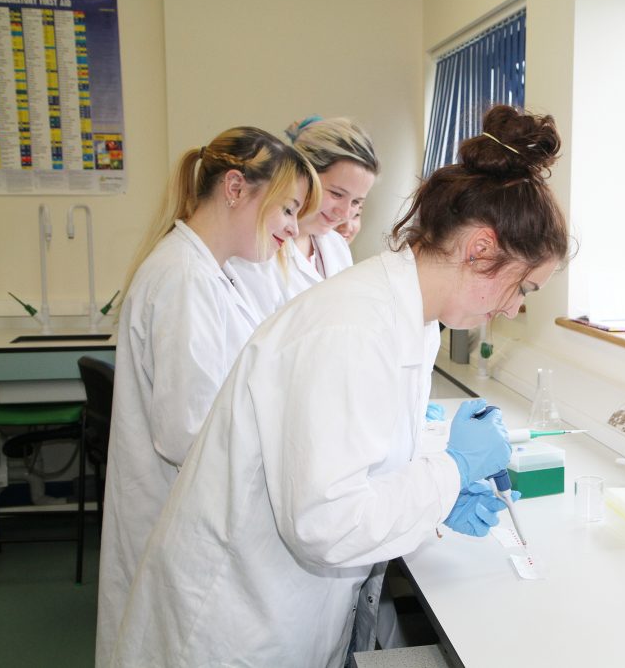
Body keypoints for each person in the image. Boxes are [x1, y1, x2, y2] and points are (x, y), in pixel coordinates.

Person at [110, 105, 571, 668]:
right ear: (479, 248)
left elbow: (361, 454)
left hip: (286, 604)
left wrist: (439, 493)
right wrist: (449, 474)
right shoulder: (352, 326)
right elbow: (324, 523)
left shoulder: (412, 317)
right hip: (234, 622)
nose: (517, 306)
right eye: (525, 286)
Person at [96, 127, 319, 668]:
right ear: (236, 188)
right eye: (288, 209)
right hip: (174, 522)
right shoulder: (184, 278)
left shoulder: (210, 273)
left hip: (184, 519)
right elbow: (185, 431)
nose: (293, 227)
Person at [230, 115, 378, 319]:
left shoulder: (337, 247)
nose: (345, 214)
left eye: (356, 202)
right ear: (303, 174)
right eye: (336, 194)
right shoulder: (257, 251)